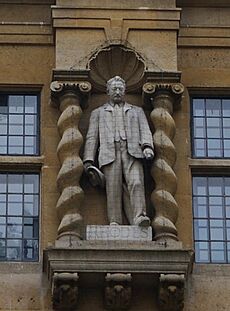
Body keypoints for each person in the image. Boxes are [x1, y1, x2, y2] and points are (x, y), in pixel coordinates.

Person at [83, 76, 154, 226]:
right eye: (114, 89)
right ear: (108, 91)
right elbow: (92, 137)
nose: (117, 92)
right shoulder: (98, 113)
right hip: (109, 153)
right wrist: (88, 160)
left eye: (120, 89)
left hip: (133, 151)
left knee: (136, 182)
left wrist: (148, 146)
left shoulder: (137, 111)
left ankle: (140, 217)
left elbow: (145, 130)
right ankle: (115, 221)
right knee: (113, 189)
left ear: (125, 91)